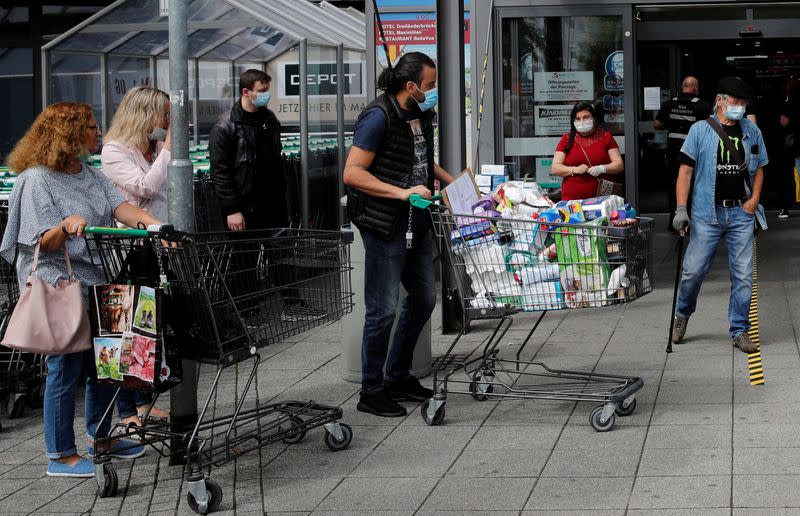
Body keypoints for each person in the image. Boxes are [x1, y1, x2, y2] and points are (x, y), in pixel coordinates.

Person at [0, 102, 162, 477]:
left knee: (106, 364)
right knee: (65, 367)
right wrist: (65, 225)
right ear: (68, 134)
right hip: (62, 282)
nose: (98, 131)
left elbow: (120, 207)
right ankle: (60, 455)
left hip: (100, 277)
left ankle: (102, 437)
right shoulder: (36, 179)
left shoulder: (89, 173)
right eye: (90, 126)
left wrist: (155, 226)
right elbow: (43, 242)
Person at [344, 52, 454, 418]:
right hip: (385, 224)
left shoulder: (419, 114)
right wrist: (403, 192)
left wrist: (454, 183)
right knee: (382, 310)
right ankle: (371, 390)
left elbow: (420, 158)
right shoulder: (378, 116)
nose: (433, 90)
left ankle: (398, 374)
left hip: (416, 222)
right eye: (431, 85)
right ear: (411, 86)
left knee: (424, 298)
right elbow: (353, 173)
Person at [671, 77, 768, 354]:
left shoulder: (752, 132)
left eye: (743, 103)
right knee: (693, 272)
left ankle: (739, 330)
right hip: (706, 213)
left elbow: (759, 167)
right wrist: (681, 209)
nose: (739, 107)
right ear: (720, 100)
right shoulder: (699, 131)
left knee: (744, 276)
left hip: (741, 213)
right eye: (735, 102)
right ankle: (682, 314)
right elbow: (685, 172)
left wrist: (754, 200)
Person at [101, 86, 172, 427]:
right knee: (125, 328)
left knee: (149, 323)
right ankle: (127, 409)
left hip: (155, 244)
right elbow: (146, 187)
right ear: (146, 114)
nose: (168, 121)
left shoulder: (154, 147)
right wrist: (171, 149)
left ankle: (144, 400)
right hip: (128, 248)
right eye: (164, 114)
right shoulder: (115, 151)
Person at [210, 69, 287, 231]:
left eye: (267, 90)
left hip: (271, 203)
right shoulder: (225, 126)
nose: (266, 95)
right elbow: (220, 171)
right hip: (244, 207)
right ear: (246, 92)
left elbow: (276, 157)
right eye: (262, 91)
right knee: (245, 254)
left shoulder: (270, 119)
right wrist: (232, 209)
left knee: (275, 254)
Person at [654, 76, 711, 224]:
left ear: (682, 87)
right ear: (695, 88)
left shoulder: (669, 104)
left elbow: (657, 124)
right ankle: (693, 220)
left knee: (674, 184)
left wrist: (671, 123)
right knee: (694, 183)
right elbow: (711, 128)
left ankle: (675, 222)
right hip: (694, 151)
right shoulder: (702, 106)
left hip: (673, 150)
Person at [550, 101, 624, 201]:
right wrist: (574, 170)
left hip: (602, 199)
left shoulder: (606, 137)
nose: (582, 121)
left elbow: (619, 165)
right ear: (573, 121)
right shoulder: (566, 139)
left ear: (593, 118)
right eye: (577, 119)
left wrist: (602, 168)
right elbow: (555, 168)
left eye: (586, 117)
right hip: (572, 200)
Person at [777, 74, 800, 219]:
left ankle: (785, 208)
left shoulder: (788, 100)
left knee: (788, 175)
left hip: (795, 141)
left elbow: (783, 122)